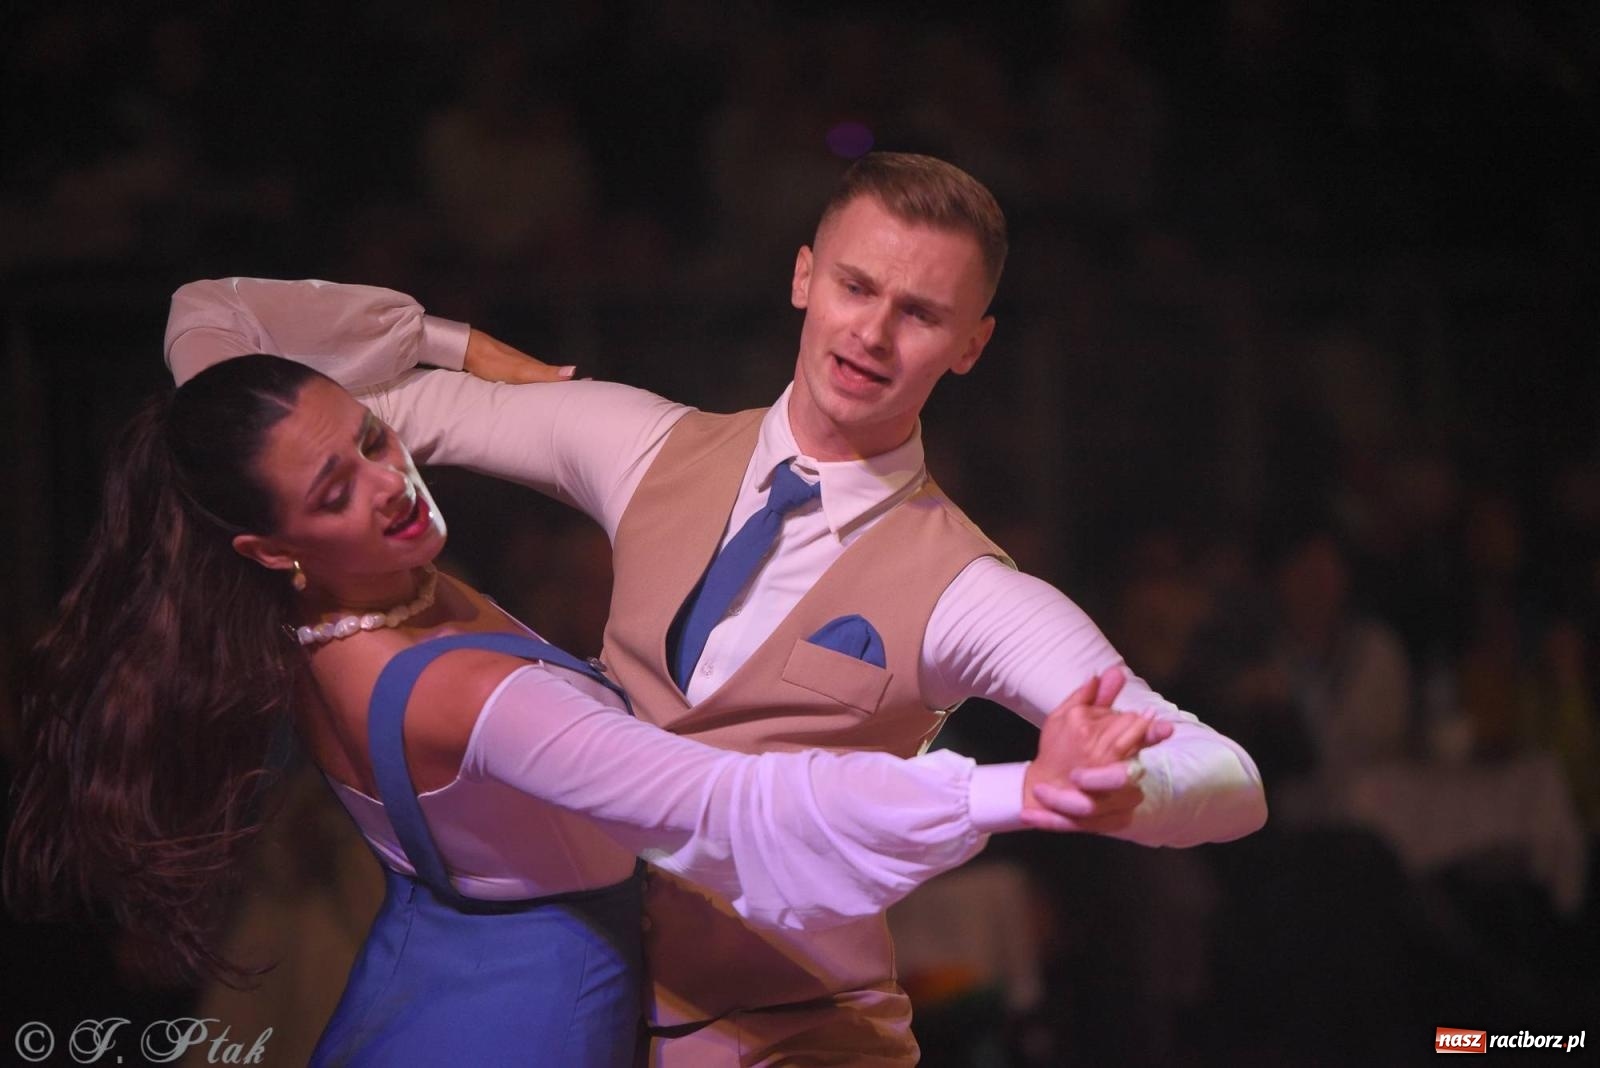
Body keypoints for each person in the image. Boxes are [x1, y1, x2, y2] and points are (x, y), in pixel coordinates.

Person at [164, 152, 1268, 1066]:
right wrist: (455, 343)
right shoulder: (641, 444)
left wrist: (1113, 789)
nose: (873, 335)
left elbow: (1232, 780)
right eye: (856, 287)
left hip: (799, 1037)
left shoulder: (967, 590)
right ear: (803, 277)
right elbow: (216, 342)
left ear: (971, 345)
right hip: (587, 1021)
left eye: (922, 313)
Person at [3, 354, 1178, 1067]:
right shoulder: (468, 695)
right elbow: (724, 802)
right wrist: (1015, 788)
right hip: (522, 1024)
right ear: (269, 547)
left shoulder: (324, 608)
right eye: (336, 490)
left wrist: (493, 361)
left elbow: (212, 318)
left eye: (372, 435)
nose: (391, 484)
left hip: (430, 972)